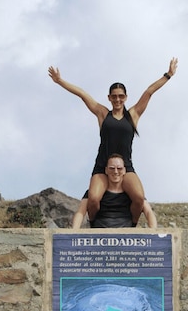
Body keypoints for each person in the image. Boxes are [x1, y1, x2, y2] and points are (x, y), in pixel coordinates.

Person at [48, 58, 177, 227]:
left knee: (138, 197)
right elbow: (82, 94)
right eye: (114, 96)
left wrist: (168, 75)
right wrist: (60, 81)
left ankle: (131, 223)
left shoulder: (133, 114)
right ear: (109, 98)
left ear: (125, 97)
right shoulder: (103, 114)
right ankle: (94, 223)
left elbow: (149, 92)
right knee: (93, 199)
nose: (117, 99)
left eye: (121, 96)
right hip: (102, 166)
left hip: (125, 167)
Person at [72, 153, 154, 228]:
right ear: (106, 170)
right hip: (100, 232)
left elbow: (148, 212)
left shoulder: (131, 193)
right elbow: (80, 212)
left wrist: (154, 232)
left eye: (119, 168)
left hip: (125, 233)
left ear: (125, 170)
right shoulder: (94, 191)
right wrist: (73, 233)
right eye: (111, 168)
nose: (115, 172)